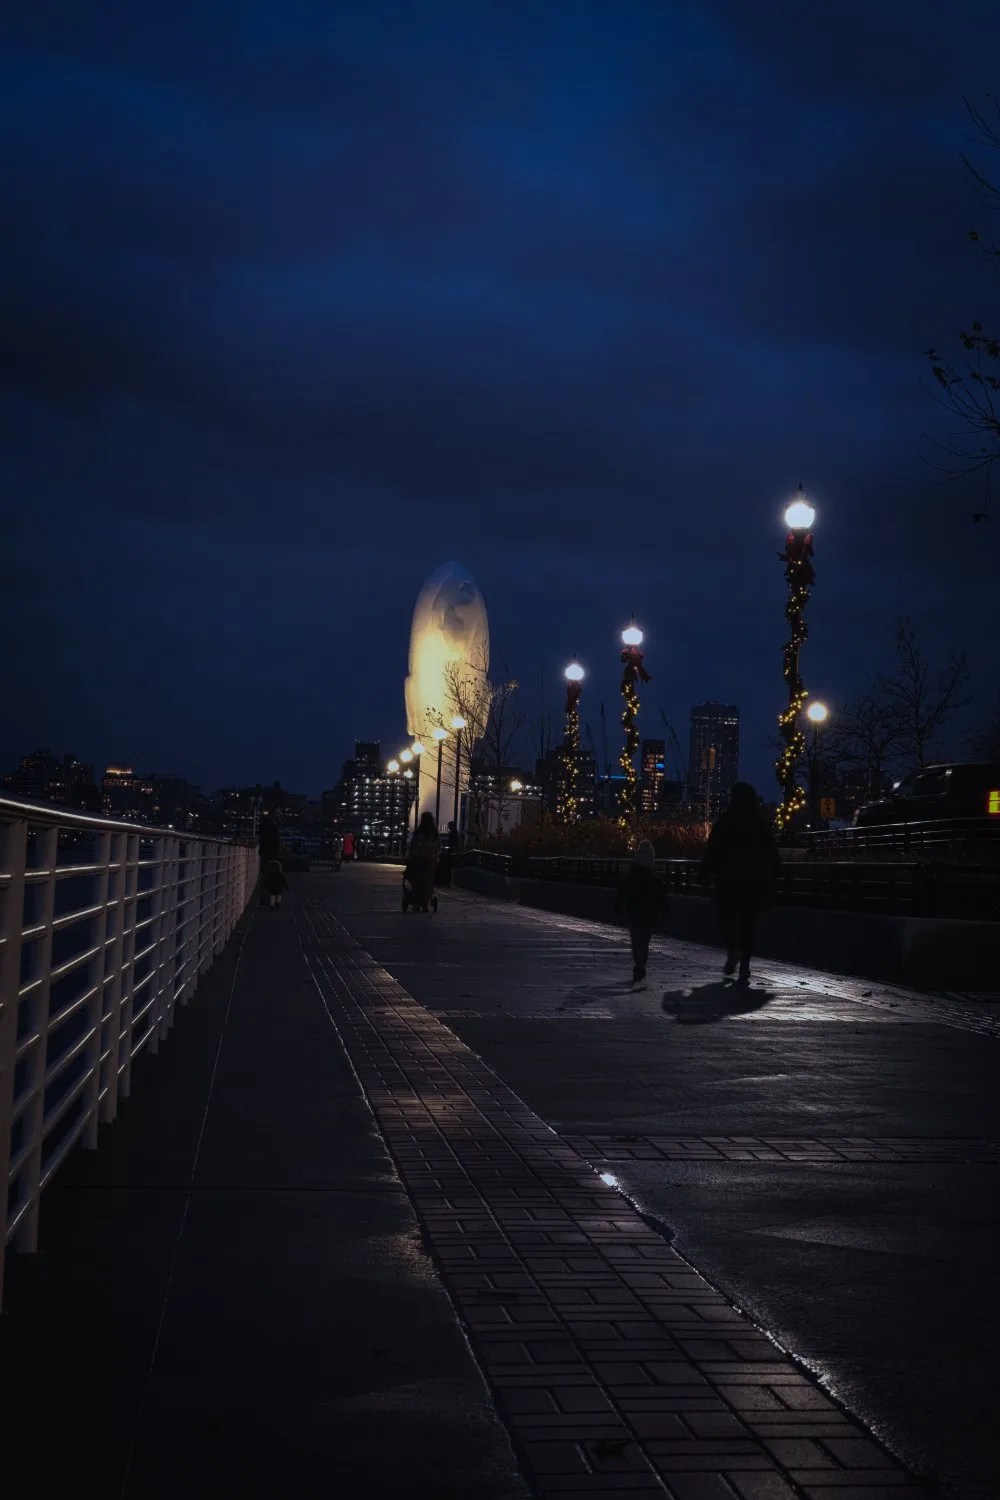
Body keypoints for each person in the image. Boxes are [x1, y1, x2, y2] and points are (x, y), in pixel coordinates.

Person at [701, 782, 782, 983]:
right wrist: (776, 872)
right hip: (754, 882)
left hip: (729, 879)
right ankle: (744, 963)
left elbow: (713, 848)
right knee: (748, 924)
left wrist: (705, 871)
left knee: (727, 919)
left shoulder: (726, 821)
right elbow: (771, 851)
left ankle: (732, 951)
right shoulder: (759, 823)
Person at [614, 839, 669, 991]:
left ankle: (638, 963)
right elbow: (661, 897)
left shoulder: (632, 875)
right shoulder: (654, 877)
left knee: (636, 938)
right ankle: (641, 964)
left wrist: (618, 908)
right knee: (645, 939)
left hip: (634, 911)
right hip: (650, 912)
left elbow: (622, 892)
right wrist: (665, 911)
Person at [405, 811, 441, 913]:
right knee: (428, 882)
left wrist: (413, 854)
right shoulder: (435, 834)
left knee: (417, 881)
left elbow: (413, 847)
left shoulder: (419, 833)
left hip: (419, 860)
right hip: (431, 861)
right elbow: (439, 848)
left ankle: (416, 902)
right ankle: (425, 903)